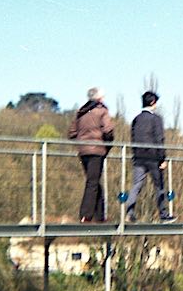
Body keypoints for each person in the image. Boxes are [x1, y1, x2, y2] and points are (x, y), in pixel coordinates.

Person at [125, 90, 175, 223]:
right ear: (153, 102)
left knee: (136, 185)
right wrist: (162, 158)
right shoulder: (156, 119)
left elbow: (133, 138)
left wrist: (135, 153)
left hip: (139, 157)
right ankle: (163, 214)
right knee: (159, 186)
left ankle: (129, 212)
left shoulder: (136, 119)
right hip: (153, 157)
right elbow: (159, 139)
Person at [68, 87, 114, 222]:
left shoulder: (81, 112)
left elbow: (72, 132)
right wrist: (107, 145)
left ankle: (100, 215)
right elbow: (108, 131)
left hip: (83, 151)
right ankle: (86, 215)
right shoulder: (102, 111)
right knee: (92, 183)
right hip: (97, 150)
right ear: (99, 98)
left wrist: (81, 141)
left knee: (93, 181)